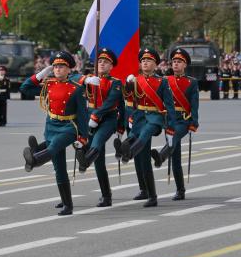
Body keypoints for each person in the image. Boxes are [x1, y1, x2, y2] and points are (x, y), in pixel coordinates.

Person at [20, 51, 88, 216]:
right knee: (59, 168)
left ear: (68, 69)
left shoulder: (76, 88)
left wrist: (83, 137)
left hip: (68, 126)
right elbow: (25, 88)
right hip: (51, 125)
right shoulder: (48, 84)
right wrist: (41, 74)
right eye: (55, 66)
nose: (57, 69)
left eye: (61, 66)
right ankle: (67, 204)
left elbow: (83, 115)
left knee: (56, 145)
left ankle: (35, 159)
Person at [118, 47, 176, 207]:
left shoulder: (162, 82)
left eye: (148, 60)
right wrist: (128, 88)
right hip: (138, 116)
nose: (145, 62)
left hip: (155, 118)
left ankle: (127, 152)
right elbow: (129, 100)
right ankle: (152, 195)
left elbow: (169, 106)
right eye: (143, 60)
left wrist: (170, 128)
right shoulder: (136, 80)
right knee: (143, 159)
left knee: (144, 135)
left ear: (156, 64)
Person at [75, 48, 123, 207]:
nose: (102, 64)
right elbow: (71, 79)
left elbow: (112, 101)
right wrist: (85, 80)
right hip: (89, 119)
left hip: (107, 119)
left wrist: (97, 115)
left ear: (111, 66)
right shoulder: (90, 78)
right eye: (100, 61)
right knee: (99, 162)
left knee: (97, 142)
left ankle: (85, 161)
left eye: (106, 62)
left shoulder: (115, 82)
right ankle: (106, 195)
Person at [151, 47, 199, 200]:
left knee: (175, 136)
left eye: (179, 62)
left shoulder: (192, 82)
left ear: (185, 65)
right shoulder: (165, 81)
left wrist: (194, 123)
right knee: (176, 157)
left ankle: (160, 157)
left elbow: (194, 104)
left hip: (183, 121)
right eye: (174, 62)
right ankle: (180, 189)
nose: (176, 64)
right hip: (169, 120)